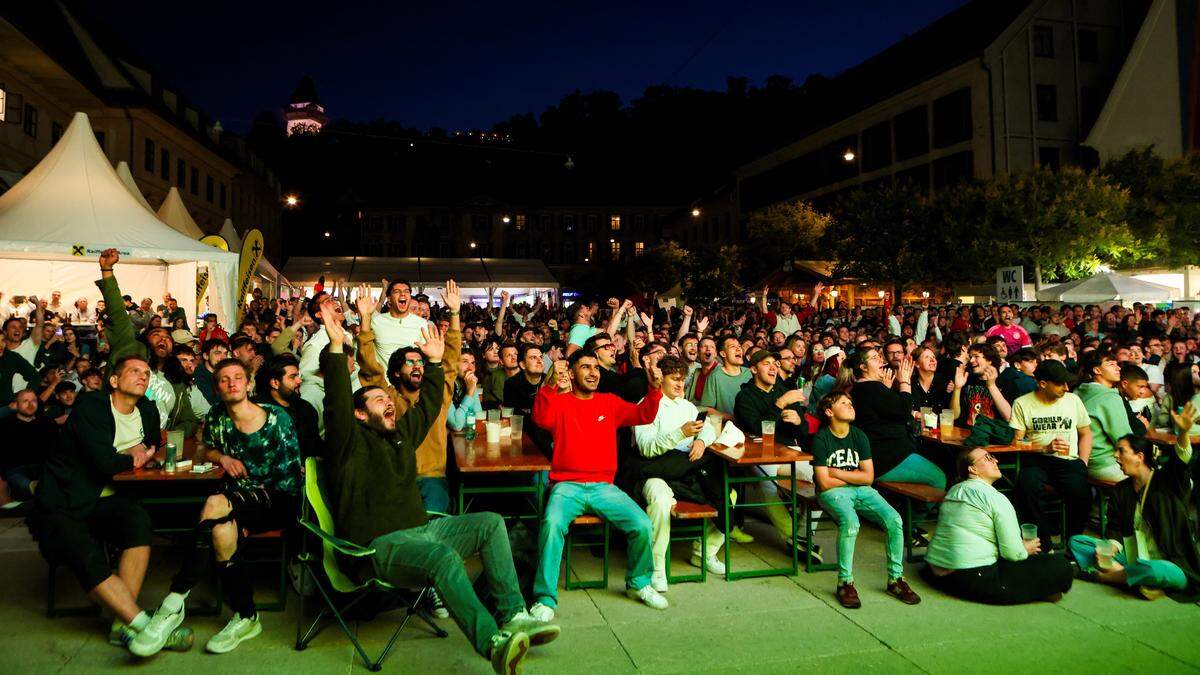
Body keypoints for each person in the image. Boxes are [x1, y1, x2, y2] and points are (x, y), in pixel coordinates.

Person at [319, 295, 556, 672]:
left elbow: (431, 404)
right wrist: (335, 347)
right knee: (443, 558)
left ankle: (514, 616)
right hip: (379, 546)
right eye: (379, 400)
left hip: (425, 529)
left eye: (388, 399)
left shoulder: (400, 436)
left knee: (491, 522)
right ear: (360, 413)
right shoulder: (347, 442)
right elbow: (335, 402)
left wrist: (433, 360)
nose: (389, 402)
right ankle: (492, 641)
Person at [130, 358, 301, 657]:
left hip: (277, 499)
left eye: (238, 377)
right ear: (217, 387)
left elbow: (288, 480)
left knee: (214, 504)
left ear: (248, 384)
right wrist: (222, 458)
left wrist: (248, 511)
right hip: (235, 502)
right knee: (221, 531)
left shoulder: (276, 418)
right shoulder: (217, 416)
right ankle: (247, 616)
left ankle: (173, 601)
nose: (232, 383)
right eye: (224, 379)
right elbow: (206, 448)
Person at [28, 355, 193, 652]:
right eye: (134, 371)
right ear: (114, 381)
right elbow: (104, 462)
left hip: (105, 501)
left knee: (138, 521)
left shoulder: (147, 408)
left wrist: (143, 451)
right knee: (83, 548)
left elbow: (154, 442)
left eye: (146, 372)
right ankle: (144, 625)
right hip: (63, 502)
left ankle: (121, 626)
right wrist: (133, 455)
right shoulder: (93, 405)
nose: (142, 376)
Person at [529, 349, 667, 621]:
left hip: (605, 487)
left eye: (595, 367)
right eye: (585, 367)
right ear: (571, 372)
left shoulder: (609, 402)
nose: (593, 372)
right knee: (552, 524)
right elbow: (540, 418)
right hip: (566, 486)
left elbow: (644, 415)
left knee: (641, 524)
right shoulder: (560, 401)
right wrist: (550, 383)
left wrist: (654, 389)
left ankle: (639, 583)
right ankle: (545, 598)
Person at [1069, 407, 1200, 601]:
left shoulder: (1167, 482)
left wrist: (1183, 433)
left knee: (1155, 570)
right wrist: (1112, 546)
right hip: (1133, 557)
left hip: (1170, 561)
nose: (1115, 456)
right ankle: (1135, 578)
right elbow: (1114, 527)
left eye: (1121, 451)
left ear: (1139, 457)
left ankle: (1107, 577)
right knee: (1077, 542)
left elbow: (1181, 461)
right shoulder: (1121, 489)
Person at [358, 281, 462, 514]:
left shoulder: (437, 396)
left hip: (432, 479)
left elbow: (452, 360)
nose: (417, 366)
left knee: (432, 527)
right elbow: (369, 369)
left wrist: (454, 313)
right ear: (396, 372)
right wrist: (365, 319)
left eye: (420, 362)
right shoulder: (389, 399)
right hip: (396, 478)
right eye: (410, 362)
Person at [811, 391, 920, 609]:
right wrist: (852, 477)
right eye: (844, 403)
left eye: (851, 402)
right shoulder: (822, 438)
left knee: (894, 520)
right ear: (829, 411)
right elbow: (823, 483)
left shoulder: (859, 435)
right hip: (833, 493)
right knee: (851, 522)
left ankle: (896, 580)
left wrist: (838, 473)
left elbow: (868, 477)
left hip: (861, 490)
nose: (850, 405)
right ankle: (845, 582)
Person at [923, 447, 1074, 604]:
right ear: (973, 469)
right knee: (1061, 565)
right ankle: (1045, 588)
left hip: (935, 572)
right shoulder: (994, 497)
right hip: (971, 576)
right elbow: (1013, 554)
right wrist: (1024, 549)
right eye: (988, 458)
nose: (996, 461)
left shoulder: (954, 491)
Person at [632, 355, 728, 589]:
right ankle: (655, 566)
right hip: (654, 469)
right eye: (674, 379)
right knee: (661, 501)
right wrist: (680, 434)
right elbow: (646, 448)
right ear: (661, 379)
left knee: (728, 493)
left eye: (683, 380)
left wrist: (702, 442)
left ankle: (705, 551)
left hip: (685, 466)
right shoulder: (645, 404)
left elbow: (707, 429)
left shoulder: (687, 406)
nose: (679, 384)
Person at [845, 348, 946, 508]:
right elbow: (903, 411)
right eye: (874, 358)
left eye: (879, 357)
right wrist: (905, 382)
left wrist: (886, 388)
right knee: (939, 478)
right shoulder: (872, 388)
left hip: (878, 456)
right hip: (888, 459)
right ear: (863, 367)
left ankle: (908, 518)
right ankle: (911, 523)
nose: (881, 361)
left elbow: (886, 413)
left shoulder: (862, 388)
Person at [1009, 360, 1093, 541]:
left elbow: (1086, 434)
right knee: (1025, 487)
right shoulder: (1022, 403)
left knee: (1083, 491)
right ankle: (1042, 541)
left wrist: (1083, 462)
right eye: (1060, 383)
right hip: (1036, 459)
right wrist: (1044, 448)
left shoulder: (1073, 401)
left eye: (1067, 382)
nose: (1066, 388)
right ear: (1042, 384)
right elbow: (1016, 443)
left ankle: (1074, 541)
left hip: (1068, 460)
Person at [1076, 350, 1133, 482]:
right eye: (1111, 364)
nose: (1118, 368)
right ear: (1097, 370)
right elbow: (1122, 437)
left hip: (1084, 462)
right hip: (1108, 463)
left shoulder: (1079, 391)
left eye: (1117, 364)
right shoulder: (1109, 397)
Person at [253, 353, 322, 459]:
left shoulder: (306, 409)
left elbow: (314, 445)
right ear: (275, 383)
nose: (299, 381)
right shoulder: (257, 410)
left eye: (298, 375)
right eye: (292, 377)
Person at [0, 389, 55, 502]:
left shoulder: (47, 423)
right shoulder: (5, 425)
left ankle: (42, 490)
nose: (30, 404)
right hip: (16, 470)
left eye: (34, 400)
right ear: (17, 404)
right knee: (22, 484)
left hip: (43, 467)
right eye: (25, 401)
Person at [369, 279, 431, 373]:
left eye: (406, 291)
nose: (403, 294)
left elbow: (426, 355)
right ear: (389, 298)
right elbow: (364, 350)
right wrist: (365, 317)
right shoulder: (376, 321)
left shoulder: (422, 323)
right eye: (397, 291)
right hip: (383, 384)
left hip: (411, 383)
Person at [698, 336, 752, 418]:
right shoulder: (715, 376)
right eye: (733, 346)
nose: (738, 349)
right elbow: (706, 408)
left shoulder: (749, 373)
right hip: (729, 427)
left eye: (739, 346)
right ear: (723, 353)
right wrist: (729, 417)